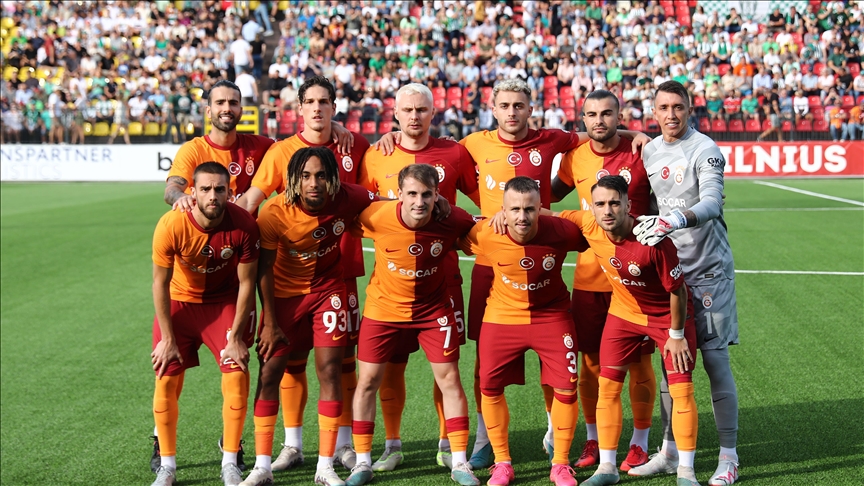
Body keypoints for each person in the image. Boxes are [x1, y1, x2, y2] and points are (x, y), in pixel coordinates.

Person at [456, 79, 648, 469]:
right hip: (492, 265)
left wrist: (636, 134)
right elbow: (438, 155)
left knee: (554, 357)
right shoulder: (473, 143)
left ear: (531, 110)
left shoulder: (552, 140)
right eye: (504, 105)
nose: (512, 112)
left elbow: (596, 131)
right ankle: (483, 439)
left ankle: (552, 428)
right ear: (493, 109)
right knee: (484, 362)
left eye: (519, 105)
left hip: (543, 256)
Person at [235, 76, 368, 476]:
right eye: (310, 102)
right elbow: (255, 197)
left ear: (334, 107)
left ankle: (342, 446)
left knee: (342, 363)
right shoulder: (281, 152)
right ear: (300, 107)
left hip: (340, 273)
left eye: (324, 102)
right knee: (288, 364)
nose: (317, 108)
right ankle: (292, 445)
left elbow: (377, 194)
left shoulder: (356, 145)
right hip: (289, 279)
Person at [358, 83, 480, 473]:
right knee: (390, 367)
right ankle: (392, 445)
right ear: (395, 114)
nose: (414, 116)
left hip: (442, 281)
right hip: (391, 286)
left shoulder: (455, 152)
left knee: (445, 368)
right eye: (407, 110)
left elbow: (485, 204)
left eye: (422, 110)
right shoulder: (376, 154)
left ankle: (448, 445)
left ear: (433, 113)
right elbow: (361, 206)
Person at [554, 175, 700, 486]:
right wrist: (501, 215)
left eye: (614, 203)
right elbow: (546, 214)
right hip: (623, 314)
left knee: (682, 390)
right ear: (591, 207)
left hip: (667, 318)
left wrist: (676, 335)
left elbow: (678, 290)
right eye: (600, 204)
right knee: (607, 387)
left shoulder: (653, 239)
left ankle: (686, 471)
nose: (607, 210)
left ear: (628, 205)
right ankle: (607, 468)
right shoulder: (589, 224)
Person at [629, 80, 741, 486]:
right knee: (670, 363)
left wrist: (675, 219)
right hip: (670, 275)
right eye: (663, 108)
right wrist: (630, 131)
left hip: (708, 272)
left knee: (714, 360)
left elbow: (711, 201)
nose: (671, 114)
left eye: (678, 106)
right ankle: (670, 451)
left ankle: (728, 457)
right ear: (654, 113)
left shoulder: (705, 149)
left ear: (690, 109)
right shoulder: (651, 150)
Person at [457, 177, 589, 486]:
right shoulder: (486, 232)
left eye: (529, 209)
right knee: (489, 387)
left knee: (567, 387)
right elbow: (456, 235)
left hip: (552, 316)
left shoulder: (563, 231)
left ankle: (560, 464)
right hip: (502, 316)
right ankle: (502, 462)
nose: (522, 217)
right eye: (514, 209)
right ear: (502, 210)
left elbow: (594, 230)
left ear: (541, 208)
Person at [550, 90, 656, 472]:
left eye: (607, 113)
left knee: (639, 364)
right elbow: (549, 195)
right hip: (589, 280)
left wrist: (637, 136)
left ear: (619, 116)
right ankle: (593, 438)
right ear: (583, 119)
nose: (600, 120)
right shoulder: (575, 156)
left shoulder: (641, 152)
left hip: (635, 281)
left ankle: (640, 442)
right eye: (592, 114)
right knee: (591, 364)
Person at [149, 162, 260, 486]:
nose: (213, 196)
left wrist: (236, 337)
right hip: (180, 303)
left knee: (236, 373)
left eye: (219, 189)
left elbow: (247, 284)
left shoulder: (244, 224)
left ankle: (230, 461)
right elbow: (159, 283)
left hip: (224, 303)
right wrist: (167, 338)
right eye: (206, 189)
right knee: (166, 378)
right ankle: (167, 466)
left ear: (230, 192)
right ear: (193, 192)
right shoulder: (171, 224)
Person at [163, 80, 275, 215]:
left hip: (244, 228)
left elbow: (288, 148)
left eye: (233, 103)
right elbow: (171, 189)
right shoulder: (192, 150)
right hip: (201, 227)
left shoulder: (260, 146)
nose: (227, 108)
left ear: (241, 111)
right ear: (208, 111)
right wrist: (181, 197)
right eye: (220, 103)